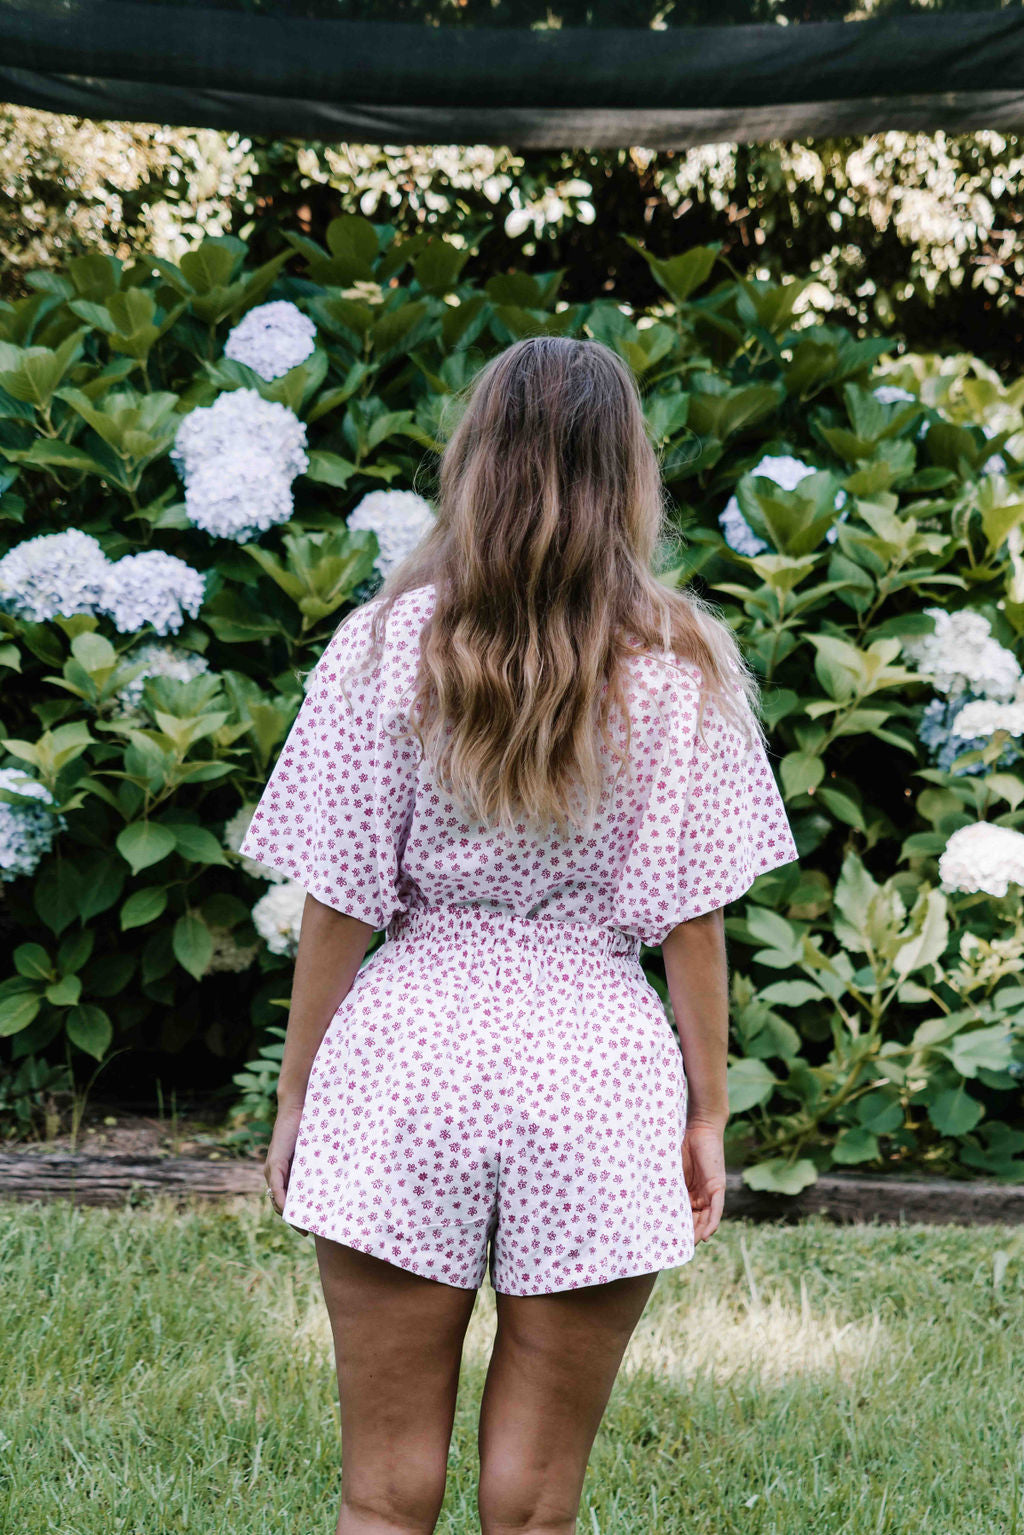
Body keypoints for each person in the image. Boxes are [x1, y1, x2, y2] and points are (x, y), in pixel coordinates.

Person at [239, 334, 798, 1535]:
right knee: (535, 1508)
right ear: (627, 474)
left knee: (380, 1495)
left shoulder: (387, 642)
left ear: (474, 461)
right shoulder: (681, 663)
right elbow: (690, 917)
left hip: (407, 1058)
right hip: (595, 1069)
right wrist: (706, 1113)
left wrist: (297, 1100)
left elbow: (339, 898)